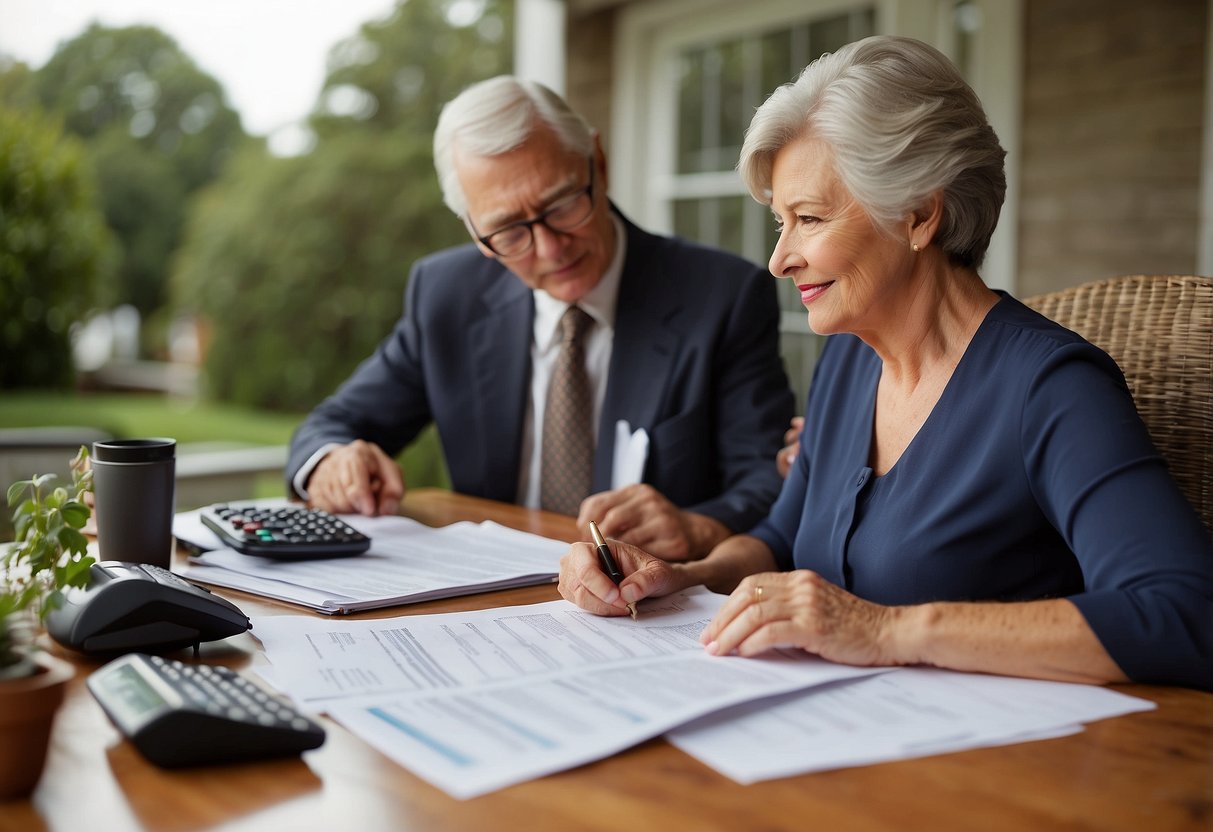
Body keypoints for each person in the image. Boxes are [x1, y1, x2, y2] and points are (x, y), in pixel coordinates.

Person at [557, 36, 1213, 690]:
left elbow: (1184, 614)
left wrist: (884, 631)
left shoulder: (1052, 388)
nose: (779, 259)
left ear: (919, 214)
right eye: (779, 223)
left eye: (807, 218)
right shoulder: (849, 355)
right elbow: (783, 536)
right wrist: (684, 578)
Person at [286, 76, 795, 561]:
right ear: (472, 229)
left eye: (562, 204)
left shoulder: (722, 295)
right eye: (508, 230)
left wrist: (697, 526)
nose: (550, 248)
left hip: (647, 606)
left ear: (597, 160)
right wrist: (332, 462)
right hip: (487, 602)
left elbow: (767, 480)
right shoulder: (447, 297)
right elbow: (332, 425)